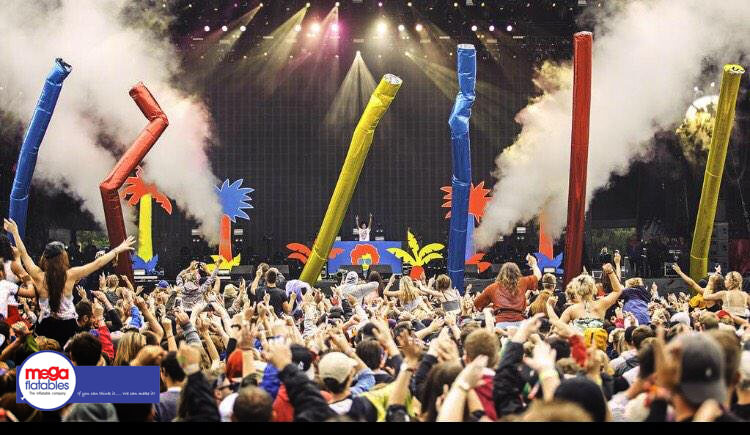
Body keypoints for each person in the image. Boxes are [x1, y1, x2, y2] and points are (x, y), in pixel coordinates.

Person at [4, 218, 134, 348]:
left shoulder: (39, 276)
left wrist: (15, 232)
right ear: (63, 257)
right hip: (67, 326)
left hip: (45, 325)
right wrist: (118, 249)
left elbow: (24, 254)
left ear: (45, 259)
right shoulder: (70, 275)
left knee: (45, 353)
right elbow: (97, 263)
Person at [473, 254, 541, 328]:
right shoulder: (523, 282)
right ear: (517, 272)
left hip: (501, 323)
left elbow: (477, 304)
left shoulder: (492, 287)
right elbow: (538, 276)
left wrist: (494, 306)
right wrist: (534, 264)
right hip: (520, 323)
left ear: (501, 273)